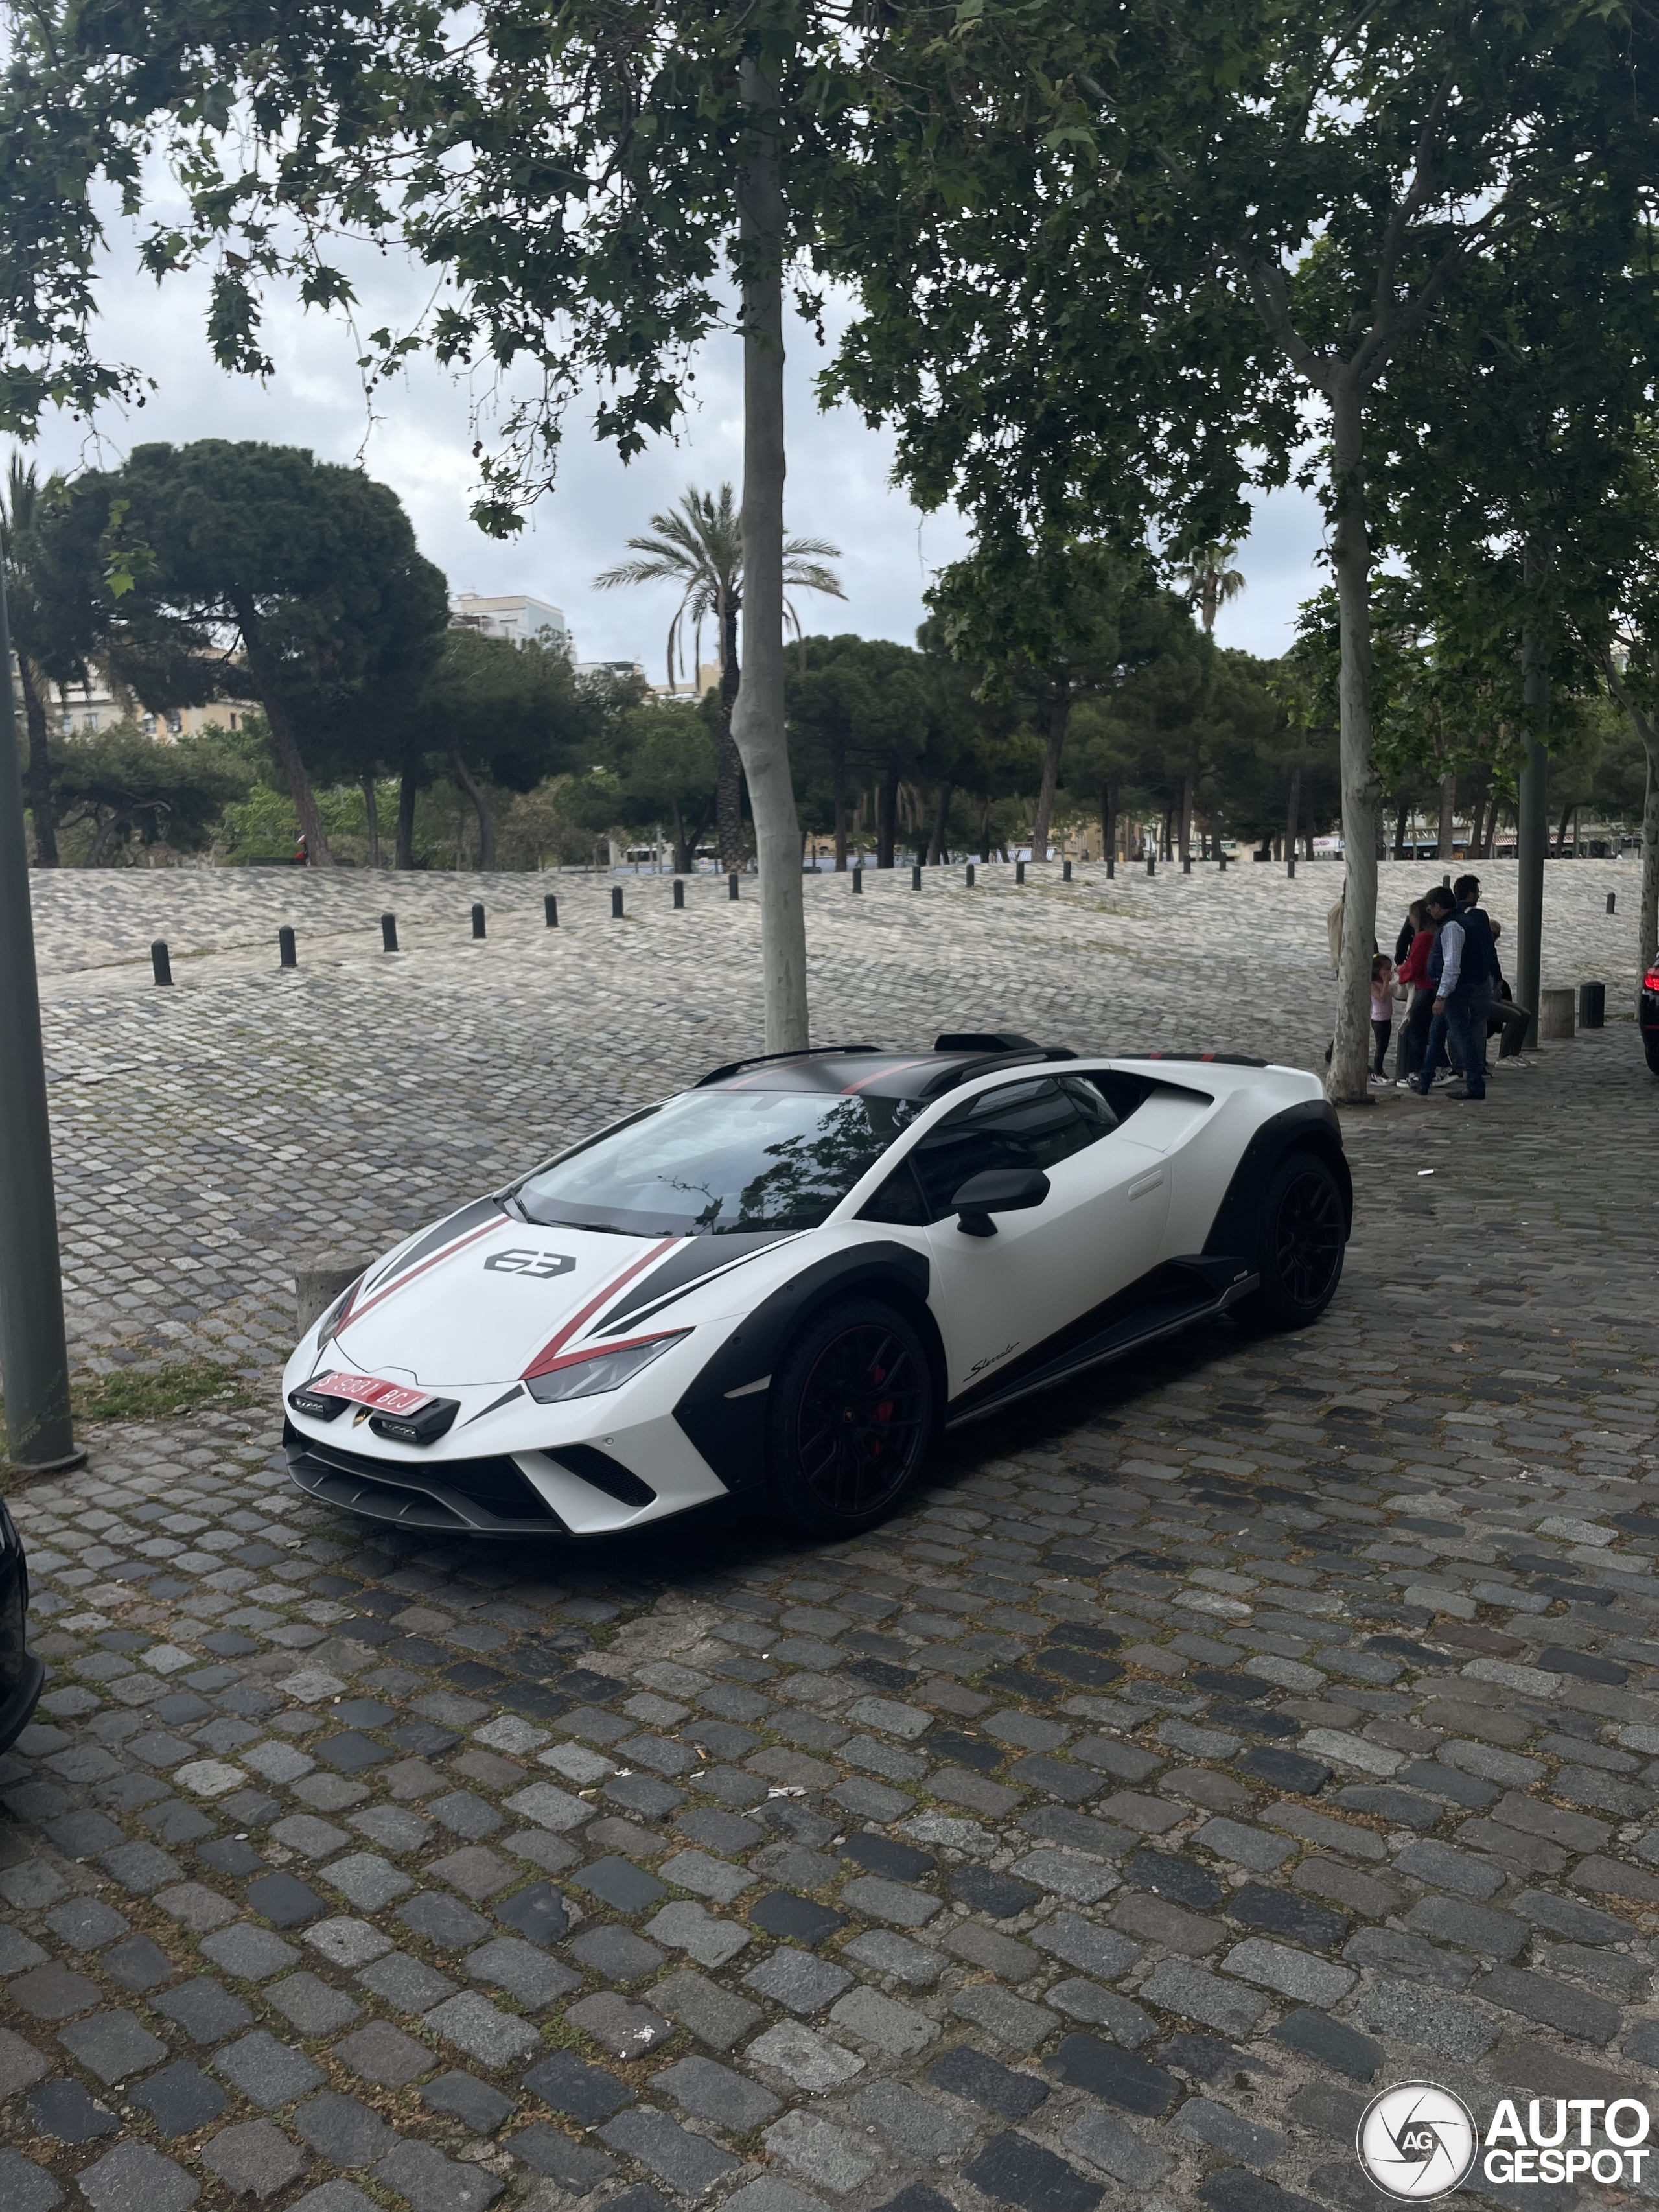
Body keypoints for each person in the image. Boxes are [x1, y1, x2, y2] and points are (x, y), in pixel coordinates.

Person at [1409, 885, 1485, 1099]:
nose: (1429, 912)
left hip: (1454, 991)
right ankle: (1424, 1081)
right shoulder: (1460, 922)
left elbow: (1452, 965)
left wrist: (1442, 996)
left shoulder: (1452, 926)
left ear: (1438, 907)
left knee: (1461, 1036)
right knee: (1436, 1035)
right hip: (1456, 988)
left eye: (1430, 907)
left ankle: (1475, 1084)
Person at [1450, 874, 1503, 1083]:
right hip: (1478, 977)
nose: (1478, 897)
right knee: (1479, 1022)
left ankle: (1458, 1066)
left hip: (1454, 977)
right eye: (1477, 893)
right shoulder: (1479, 916)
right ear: (1471, 894)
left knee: (1456, 1023)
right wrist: (1496, 974)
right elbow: (1488, 948)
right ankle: (1477, 1065)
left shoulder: (1450, 914)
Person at [1393, 899, 1437, 1086]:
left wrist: (1400, 971)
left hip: (1423, 988)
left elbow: (1416, 965)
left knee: (1416, 1032)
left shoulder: (1423, 937)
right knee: (1424, 1031)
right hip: (1429, 988)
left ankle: (1417, 1072)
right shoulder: (1432, 934)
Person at [1369, 955, 1395, 1087]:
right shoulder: (1373, 984)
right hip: (1379, 1020)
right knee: (1380, 1047)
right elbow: (1382, 998)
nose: (1389, 972)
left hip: (1387, 1019)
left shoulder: (1383, 983)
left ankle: (1380, 1071)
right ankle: (1376, 1073)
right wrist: (1386, 982)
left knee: (1384, 1047)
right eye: (1387, 969)